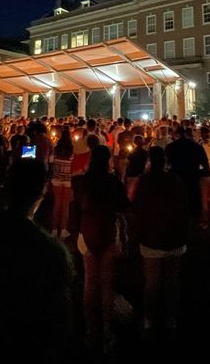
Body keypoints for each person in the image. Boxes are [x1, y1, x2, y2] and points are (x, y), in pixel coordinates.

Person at [0, 159, 74, 362]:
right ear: (42, 192)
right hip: (27, 344)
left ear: (6, 186)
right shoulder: (51, 251)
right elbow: (60, 318)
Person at [74, 145, 130, 353]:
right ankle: (107, 332)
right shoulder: (112, 181)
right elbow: (124, 205)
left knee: (89, 284)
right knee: (106, 284)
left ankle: (90, 331)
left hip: (87, 229)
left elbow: (78, 202)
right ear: (107, 160)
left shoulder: (82, 181)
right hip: (107, 229)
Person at [132, 146, 188, 333]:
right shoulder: (175, 180)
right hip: (174, 235)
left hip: (151, 235)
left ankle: (149, 319)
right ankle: (171, 319)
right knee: (172, 280)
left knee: (151, 282)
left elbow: (135, 204)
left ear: (149, 161)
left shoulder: (144, 181)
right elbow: (183, 206)